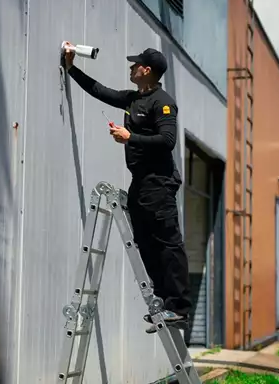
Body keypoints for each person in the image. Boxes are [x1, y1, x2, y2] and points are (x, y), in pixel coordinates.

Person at [64, 42, 191, 334]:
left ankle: (179, 308)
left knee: (168, 244)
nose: (131, 67)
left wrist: (129, 137)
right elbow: (100, 91)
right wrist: (71, 68)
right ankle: (162, 302)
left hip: (159, 183)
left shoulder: (163, 101)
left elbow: (167, 140)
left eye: (136, 64)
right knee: (145, 244)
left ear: (147, 70)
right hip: (140, 184)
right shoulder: (133, 99)